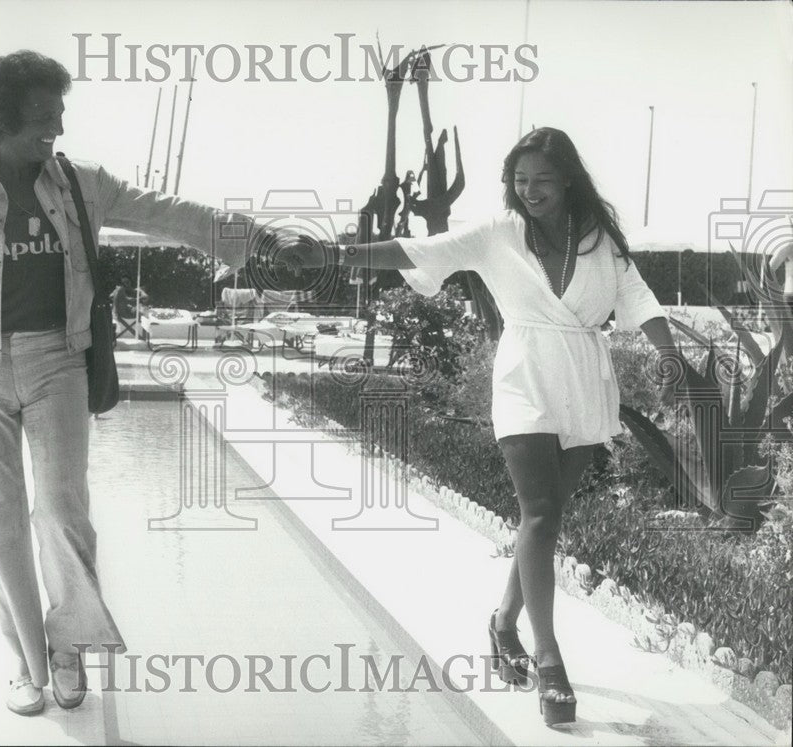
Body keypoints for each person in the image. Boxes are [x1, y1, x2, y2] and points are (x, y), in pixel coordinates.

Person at [0, 50, 272, 716]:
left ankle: (65, 646)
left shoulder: (79, 182)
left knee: (60, 510)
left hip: (58, 359)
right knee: (0, 522)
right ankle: (27, 662)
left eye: (59, 116)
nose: (54, 130)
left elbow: (170, 213)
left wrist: (255, 239)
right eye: (39, 120)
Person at [274, 127, 682, 726]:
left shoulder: (599, 240)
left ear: (567, 178)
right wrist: (332, 254)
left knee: (544, 520)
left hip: (585, 381)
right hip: (524, 378)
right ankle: (550, 662)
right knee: (540, 513)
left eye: (542, 179)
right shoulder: (497, 235)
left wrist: (669, 354)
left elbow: (640, 298)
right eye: (521, 181)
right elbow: (415, 249)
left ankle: (502, 623)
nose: (530, 191)